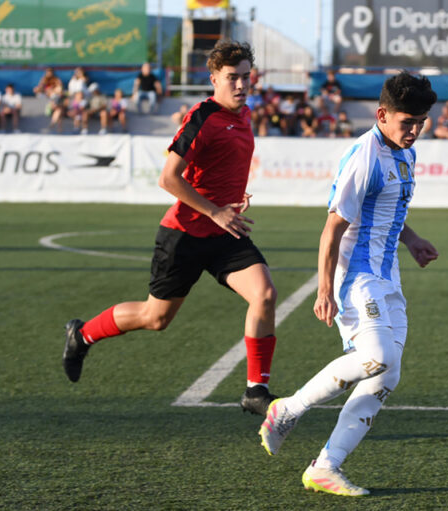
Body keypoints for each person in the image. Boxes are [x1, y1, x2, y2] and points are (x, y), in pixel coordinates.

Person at [62, 40, 280, 417]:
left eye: (246, 77)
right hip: (184, 234)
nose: (242, 85)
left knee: (264, 294)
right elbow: (168, 178)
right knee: (156, 318)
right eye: (233, 78)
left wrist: (232, 198)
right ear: (214, 78)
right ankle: (81, 335)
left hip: (224, 232)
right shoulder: (202, 117)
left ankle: (255, 391)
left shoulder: (243, 116)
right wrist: (214, 210)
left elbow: (217, 170)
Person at [258, 71, 438, 497]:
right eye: (406, 122)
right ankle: (287, 409)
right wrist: (325, 290)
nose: (414, 131)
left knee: (386, 375)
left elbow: (387, 205)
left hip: (387, 275)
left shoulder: (404, 153)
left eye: (421, 122)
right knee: (375, 357)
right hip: (356, 276)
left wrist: (411, 241)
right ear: (382, 114)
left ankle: (325, 466)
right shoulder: (364, 155)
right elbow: (332, 229)